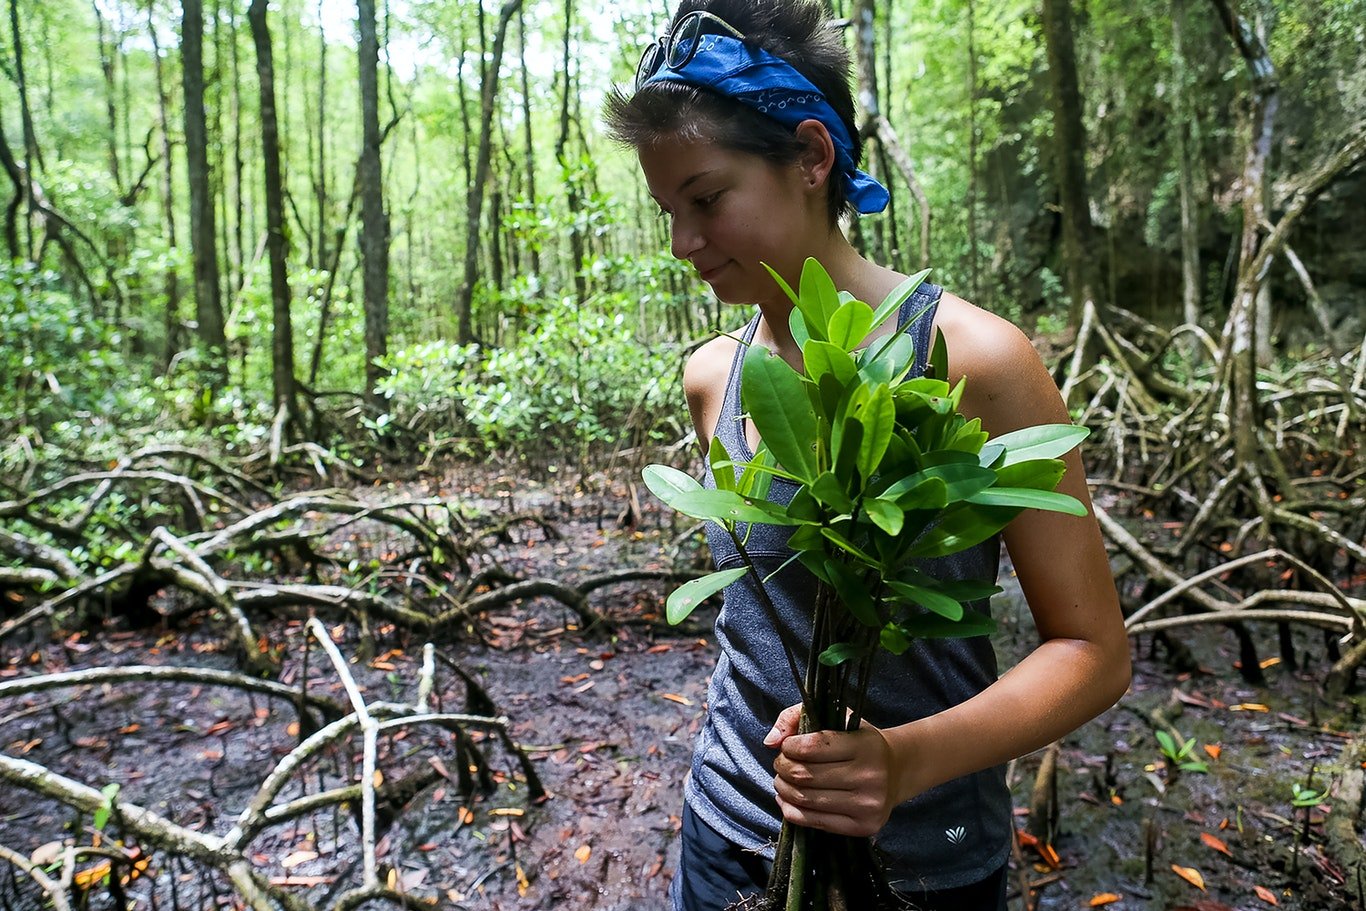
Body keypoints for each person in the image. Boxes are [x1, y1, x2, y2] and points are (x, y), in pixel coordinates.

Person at [604, 2, 1131, 909]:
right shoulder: (714, 377)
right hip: (726, 832)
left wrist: (901, 758)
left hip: (929, 850)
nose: (684, 244)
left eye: (706, 199)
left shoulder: (976, 361)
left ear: (812, 157)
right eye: (667, 212)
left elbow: (1093, 651)